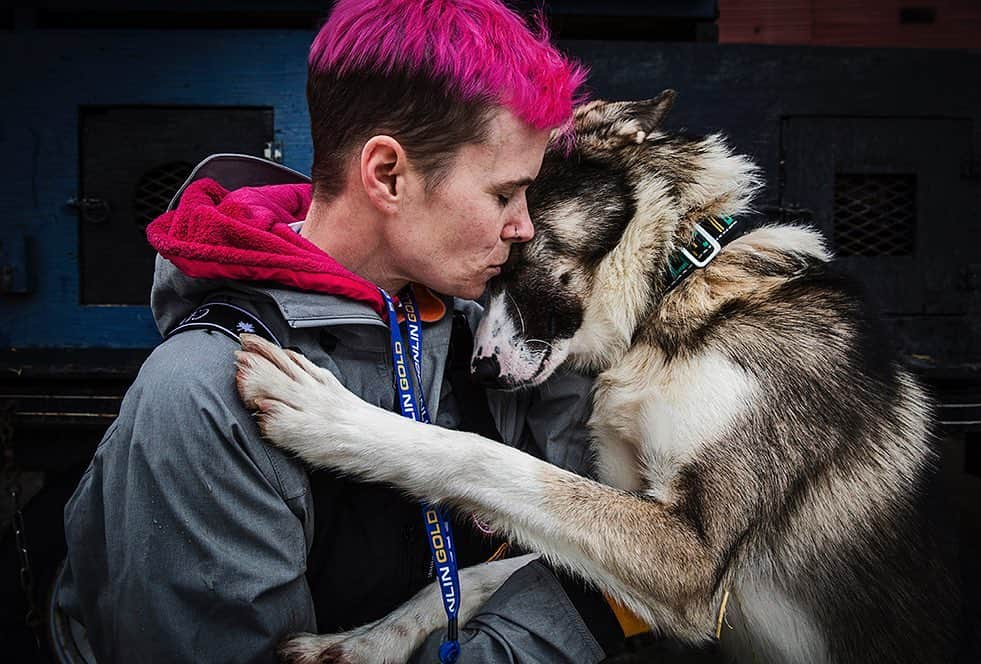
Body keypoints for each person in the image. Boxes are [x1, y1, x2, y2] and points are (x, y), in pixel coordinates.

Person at [55, 1, 631, 662]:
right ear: (387, 174)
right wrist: (587, 618)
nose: (523, 227)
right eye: (503, 194)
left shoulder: (480, 329)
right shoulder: (202, 397)